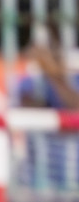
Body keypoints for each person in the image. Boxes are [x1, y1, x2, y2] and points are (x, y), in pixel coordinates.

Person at [17, 43, 79, 189]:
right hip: (41, 175)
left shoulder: (72, 80)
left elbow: (74, 104)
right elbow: (30, 107)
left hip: (72, 171)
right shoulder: (32, 82)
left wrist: (54, 74)